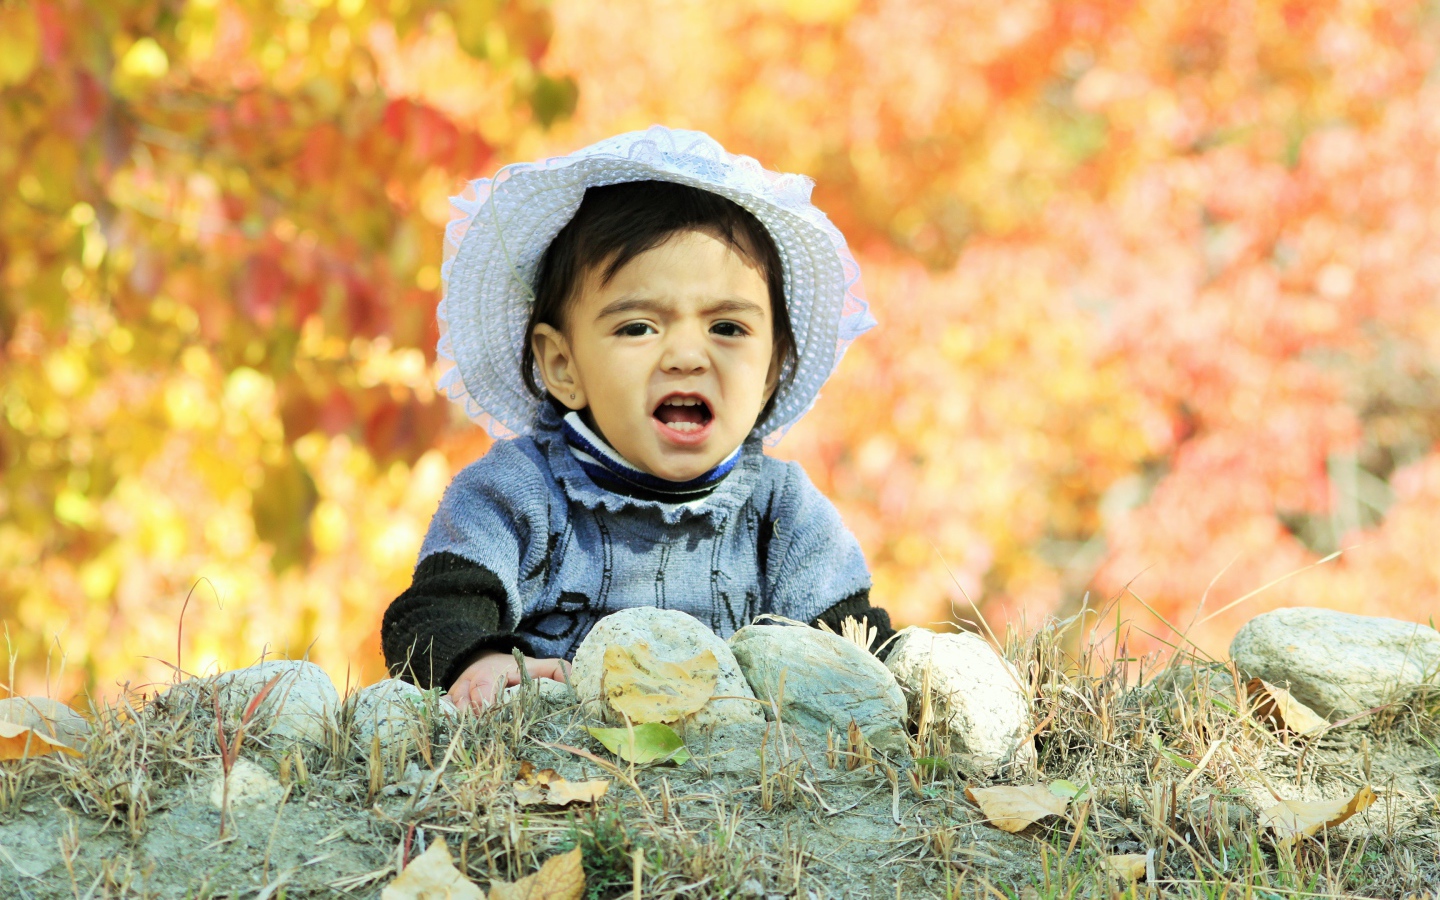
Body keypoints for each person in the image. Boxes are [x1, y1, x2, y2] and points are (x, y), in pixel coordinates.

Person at [381, 127, 893, 712]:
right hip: (556, 774)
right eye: (638, 327)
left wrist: (908, 681)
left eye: (727, 327)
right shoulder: (517, 493)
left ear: (773, 367)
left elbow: (859, 651)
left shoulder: (784, 515)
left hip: (729, 778)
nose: (685, 355)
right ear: (563, 365)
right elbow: (433, 611)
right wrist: (475, 660)